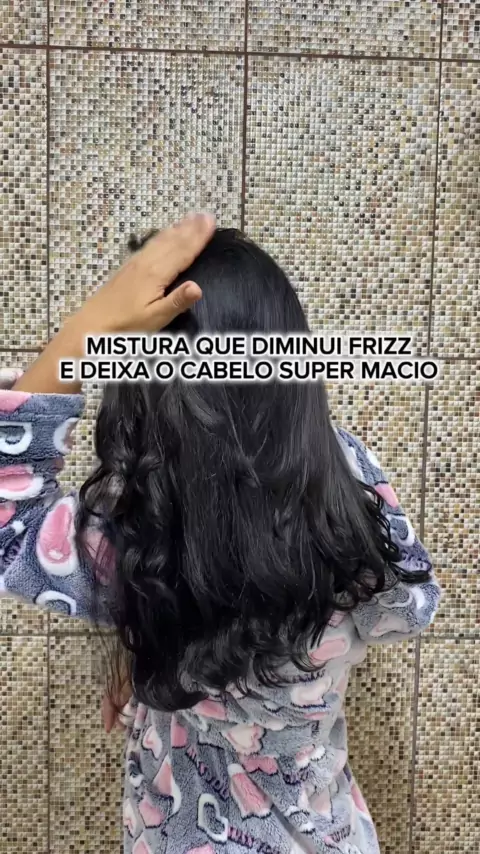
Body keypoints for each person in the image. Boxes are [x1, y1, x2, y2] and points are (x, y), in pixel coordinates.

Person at [0, 215, 440, 854]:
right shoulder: (348, 478)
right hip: (326, 833)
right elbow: (408, 608)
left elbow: (11, 524)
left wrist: (85, 329)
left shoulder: (138, 529)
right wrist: (162, 635)